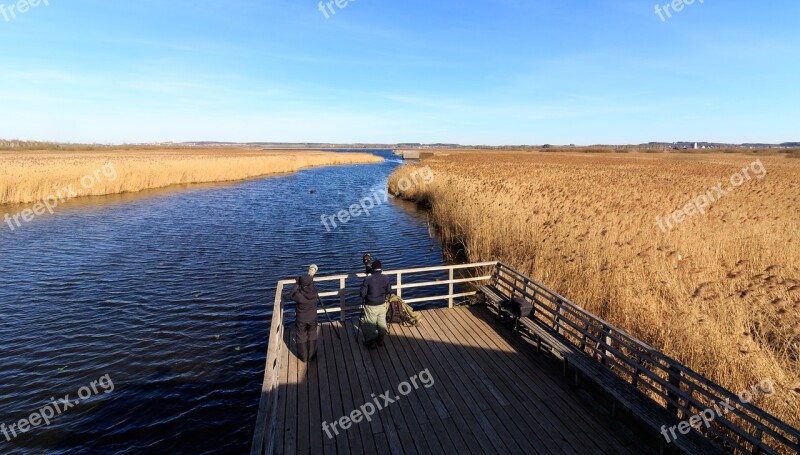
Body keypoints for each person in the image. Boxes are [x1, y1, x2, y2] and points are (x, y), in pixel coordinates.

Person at [359, 260, 391, 349]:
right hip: (382, 304)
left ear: (372, 269)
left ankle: (371, 343)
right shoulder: (386, 278)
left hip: (371, 305)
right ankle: (381, 340)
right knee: (381, 321)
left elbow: (362, 293)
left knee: (370, 323)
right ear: (381, 269)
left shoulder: (368, 279)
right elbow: (388, 291)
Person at [290, 269, 320, 362]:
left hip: (301, 319)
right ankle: (312, 356)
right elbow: (310, 283)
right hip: (313, 317)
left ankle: (303, 357)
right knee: (312, 334)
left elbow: (291, 296)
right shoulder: (315, 290)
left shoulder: (299, 295)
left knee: (301, 336)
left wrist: (297, 284)